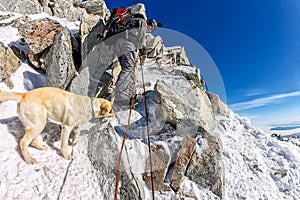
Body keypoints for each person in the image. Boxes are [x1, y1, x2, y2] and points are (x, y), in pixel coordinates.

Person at [103, 3, 158, 109]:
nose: (148, 30)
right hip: (127, 43)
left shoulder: (128, 21)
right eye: (149, 28)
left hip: (118, 44)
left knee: (127, 68)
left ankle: (126, 94)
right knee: (129, 67)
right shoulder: (141, 20)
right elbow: (141, 38)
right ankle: (121, 99)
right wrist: (141, 50)